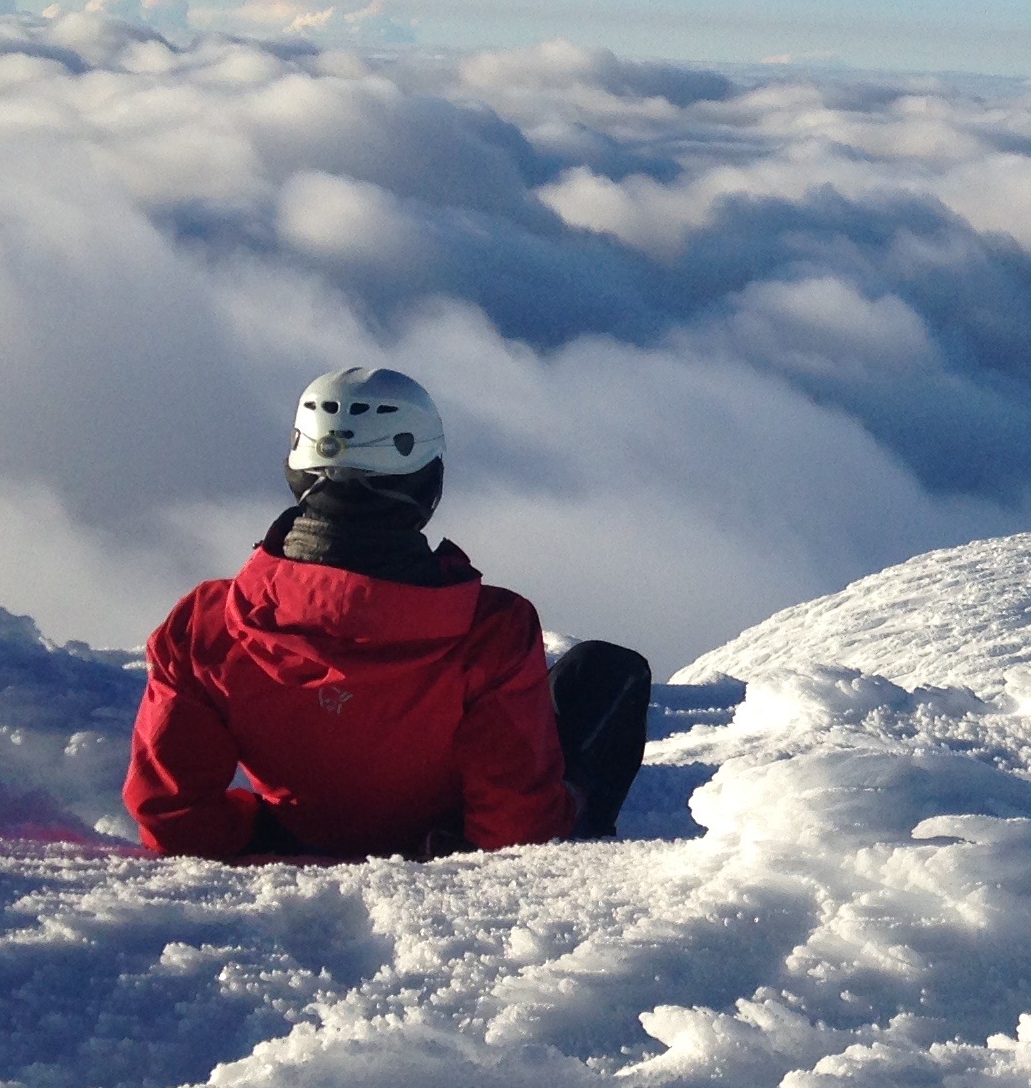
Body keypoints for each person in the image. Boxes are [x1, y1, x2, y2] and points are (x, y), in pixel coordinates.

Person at [123, 368, 652, 859]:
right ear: (428, 484)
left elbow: (174, 816)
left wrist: (265, 828)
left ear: (296, 471)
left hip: (301, 831)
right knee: (604, 672)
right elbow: (516, 831)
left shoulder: (204, 623)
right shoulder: (493, 630)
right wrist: (576, 800)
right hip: (443, 843)